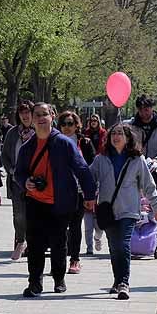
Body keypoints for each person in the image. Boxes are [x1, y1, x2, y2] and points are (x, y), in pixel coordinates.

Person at [14, 102, 97, 297]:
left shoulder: (64, 143)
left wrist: (90, 195)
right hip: (35, 202)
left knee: (59, 242)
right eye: (37, 115)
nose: (41, 118)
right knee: (35, 244)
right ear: (32, 120)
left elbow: (82, 169)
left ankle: (59, 279)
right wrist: (25, 182)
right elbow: (18, 173)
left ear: (52, 116)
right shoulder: (28, 147)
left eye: (45, 114)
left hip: (60, 202)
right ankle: (34, 282)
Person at [90, 124, 157, 300]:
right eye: (113, 134)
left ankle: (124, 283)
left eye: (120, 134)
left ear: (129, 138)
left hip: (129, 210)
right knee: (114, 248)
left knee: (123, 244)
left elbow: (148, 185)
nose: (116, 137)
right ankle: (117, 281)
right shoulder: (101, 159)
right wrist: (85, 194)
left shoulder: (137, 160)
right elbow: (89, 179)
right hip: (107, 210)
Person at [57, 111, 96, 274]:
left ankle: (74, 259)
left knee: (75, 226)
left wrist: (90, 193)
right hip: (59, 191)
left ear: (77, 125)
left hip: (79, 191)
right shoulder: (54, 142)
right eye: (64, 124)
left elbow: (92, 168)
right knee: (58, 227)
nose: (67, 127)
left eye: (70, 124)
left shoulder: (84, 143)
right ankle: (58, 260)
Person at [1, 101, 34, 260]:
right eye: (22, 113)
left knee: (35, 214)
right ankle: (20, 241)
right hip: (17, 180)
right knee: (19, 214)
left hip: (36, 181)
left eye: (28, 112)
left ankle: (33, 243)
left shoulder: (39, 131)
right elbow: (5, 155)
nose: (25, 116)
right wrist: (12, 171)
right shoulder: (13, 133)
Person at [126, 94, 157, 191]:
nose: (143, 113)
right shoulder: (130, 125)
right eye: (140, 110)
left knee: (154, 203)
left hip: (155, 171)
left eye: (146, 110)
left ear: (152, 108)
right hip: (135, 171)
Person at [82, 113, 107, 253]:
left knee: (99, 225)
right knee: (87, 222)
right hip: (85, 170)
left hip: (98, 168)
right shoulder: (85, 134)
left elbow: (103, 148)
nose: (93, 122)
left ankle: (97, 238)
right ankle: (89, 248)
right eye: (91, 120)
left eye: (95, 120)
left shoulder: (103, 133)